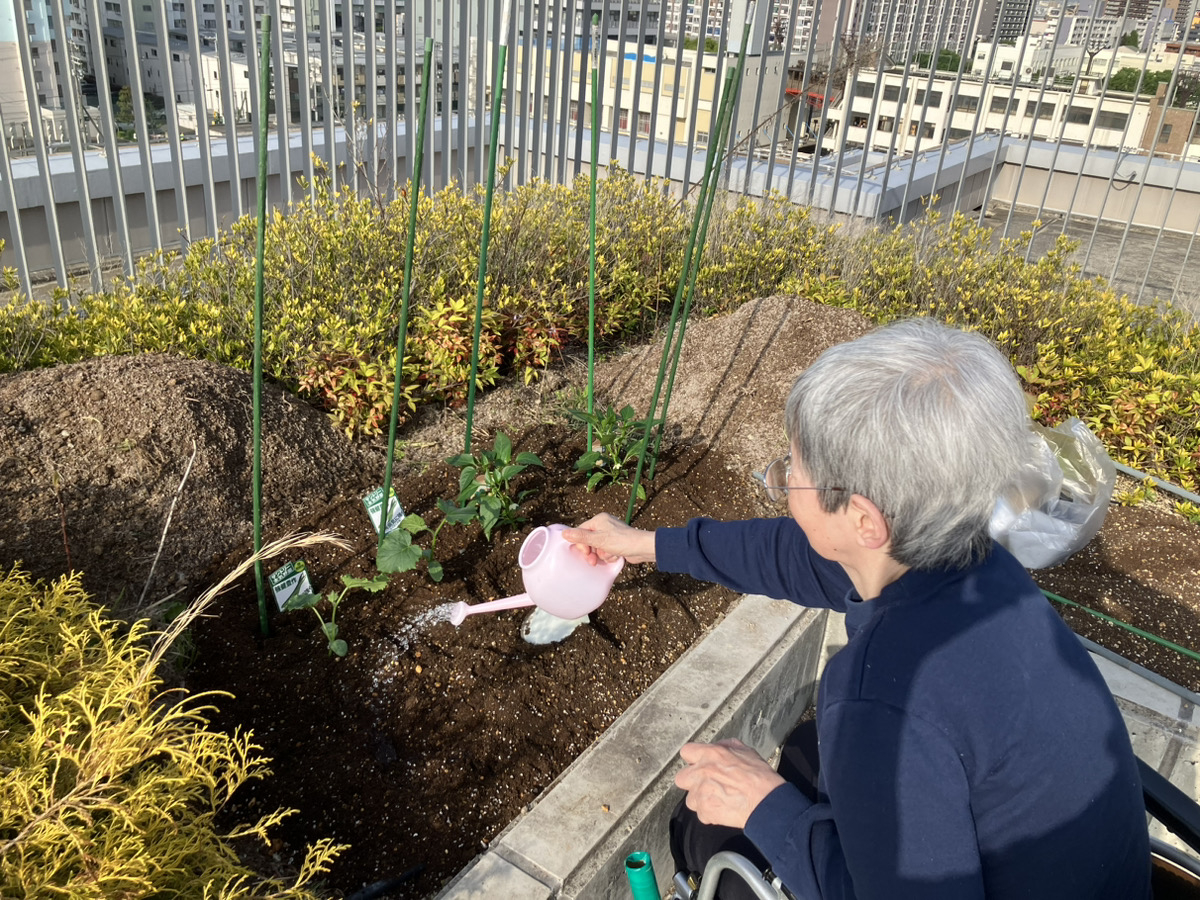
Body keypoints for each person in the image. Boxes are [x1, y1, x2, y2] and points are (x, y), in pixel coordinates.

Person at [563, 318, 1151, 900]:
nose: (783, 482)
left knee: (705, 832)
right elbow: (798, 555)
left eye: (792, 472)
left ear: (867, 521)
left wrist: (761, 806)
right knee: (805, 752)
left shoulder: (886, 690)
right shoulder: (976, 565)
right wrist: (648, 545)